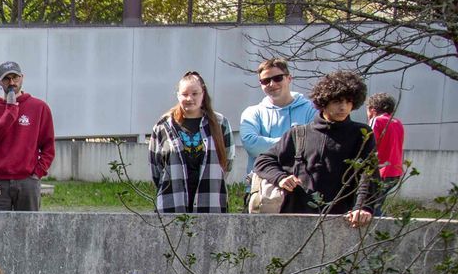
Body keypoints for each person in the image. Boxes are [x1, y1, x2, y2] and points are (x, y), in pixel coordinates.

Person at [253, 70, 376, 227]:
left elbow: (368, 173)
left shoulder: (361, 134)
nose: (343, 107)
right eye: (337, 101)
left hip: (344, 220)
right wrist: (281, 178)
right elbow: (263, 160)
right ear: (324, 101)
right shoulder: (298, 133)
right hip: (295, 219)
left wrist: (362, 207)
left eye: (349, 101)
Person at [148, 71, 234, 213]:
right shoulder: (163, 126)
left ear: (203, 94)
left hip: (210, 201)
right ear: (178, 95)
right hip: (173, 202)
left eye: (195, 93)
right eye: (185, 94)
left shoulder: (220, 124)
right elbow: (155, 167)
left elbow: (228, 161)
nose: (189, 98)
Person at [0, 61, 55, 211]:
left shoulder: (39, 107)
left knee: (27, 230)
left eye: (15, 77)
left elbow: (48, 146)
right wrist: (9, 115)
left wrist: (37, 173)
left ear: (22, 78)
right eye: (6, 78)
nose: (12, 82)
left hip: (27, 181)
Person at [239, 58, 318, 179]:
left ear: (289, 78)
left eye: (277, 78)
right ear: (260, 84)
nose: (272, 84)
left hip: (302, 184)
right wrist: (295, 142)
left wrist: (267, 144)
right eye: (266, 81)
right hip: (263, 188)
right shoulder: (252, 113)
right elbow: (252, 145)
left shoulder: (311, 110)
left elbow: (314, 144)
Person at [366, 92, 405, 215]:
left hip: (380, 171)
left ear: (372, 110)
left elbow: (368, 146)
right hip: (395, 172)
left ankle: (378, 229)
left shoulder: (376, 121)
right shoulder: (397, 123)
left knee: (369, 206)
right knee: (377, 203)